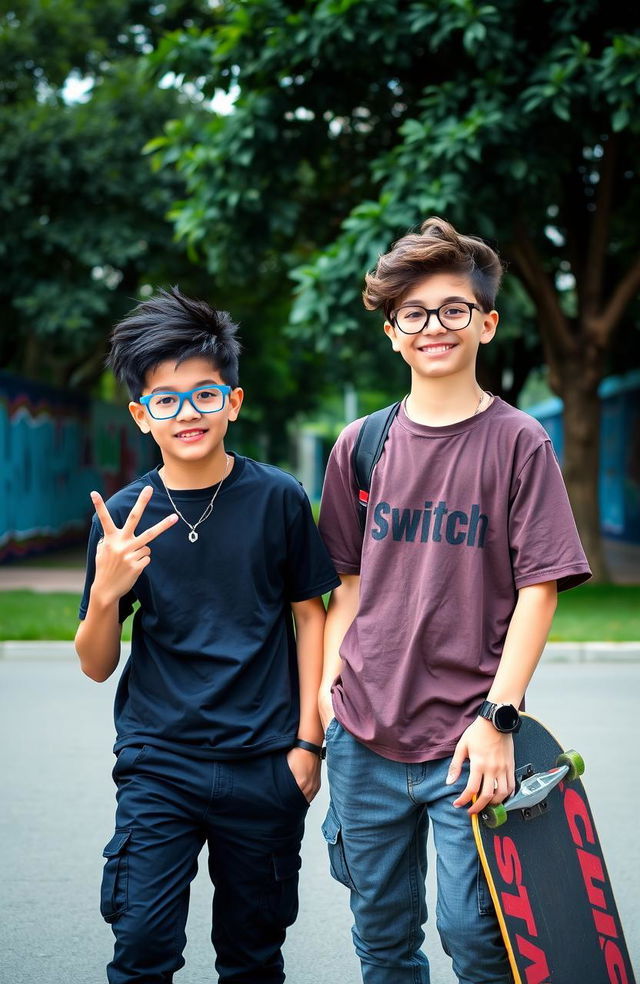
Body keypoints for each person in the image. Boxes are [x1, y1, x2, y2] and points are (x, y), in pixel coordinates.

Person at [317, 217, 591, 984]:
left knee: (478, 934)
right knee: (381, 934)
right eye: (413, 313)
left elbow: (540, 590)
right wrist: (323, 699)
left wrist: (500, 719)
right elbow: (349, 585)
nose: (432, 326)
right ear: (392, 333)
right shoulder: (360, 445)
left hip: (469, 739)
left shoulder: (518, 442)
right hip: (362, 737)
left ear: (486, 322)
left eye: (452, 309)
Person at [75, 287, 339, 984]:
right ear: (141, 415)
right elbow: (96, 665)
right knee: (141, 947)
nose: (186, 413)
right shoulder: (124, 518)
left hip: (265, 763)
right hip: (159, 763)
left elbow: (310, 616)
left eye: (204, 394)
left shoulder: (279, 496)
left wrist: (308, 746)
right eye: (165, 399)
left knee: (253, 959)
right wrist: (106, 592)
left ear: (234, 401)